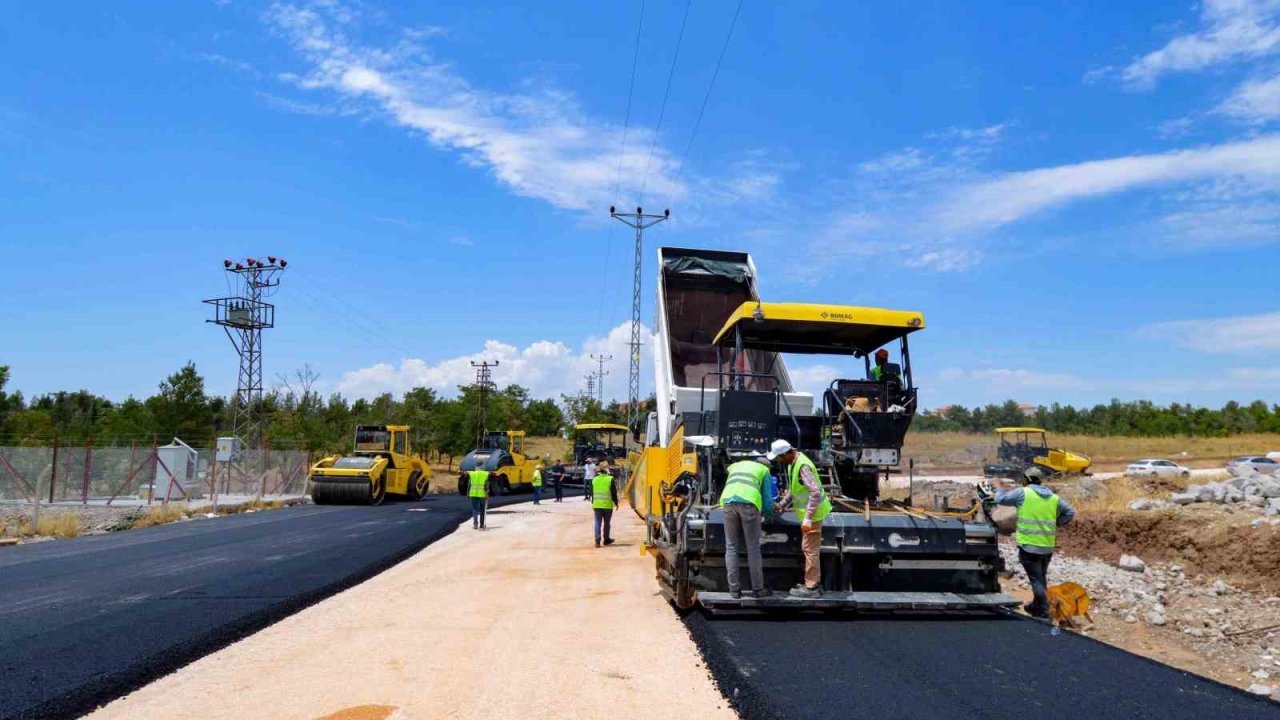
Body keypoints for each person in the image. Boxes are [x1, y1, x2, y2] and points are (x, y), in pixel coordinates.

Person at [993, 467, 1076, 619]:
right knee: (1041, 577)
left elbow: (1000, 500)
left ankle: (1045, 611)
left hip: (1029, 546)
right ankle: (1035, 607)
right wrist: (1057, 523)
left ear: (1027, 479)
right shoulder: (1054, 498)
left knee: (1036, 580)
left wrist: (998, 489)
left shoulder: (1023, 493)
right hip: (1047, 546)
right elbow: (1070, 512)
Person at [769, 439, 831, 598]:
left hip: (814, 514)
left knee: (810, 550)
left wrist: (808, 518)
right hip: (811, 514)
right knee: (810, 549)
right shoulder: (793, 464)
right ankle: (813, 583)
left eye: (779, 457)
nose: (778, 460)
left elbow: (815, 492)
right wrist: (782, 504)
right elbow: (794, 490)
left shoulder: (802, 466)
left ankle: (811, 587)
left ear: (786, 454)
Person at [720, 452, 772, 599]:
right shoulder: (764, 471)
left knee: (731, 547)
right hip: (749, 505)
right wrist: (769, 515)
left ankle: (734, 591)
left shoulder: (735, 466)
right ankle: (758, 589)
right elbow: (767, 500)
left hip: (728, 503)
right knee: (753, 548)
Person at [591, 461, 619, 548]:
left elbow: (592, 492)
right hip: (607, 505)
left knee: (597, 523)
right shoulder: (610, 479)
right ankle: (606, 540)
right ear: (607, 469)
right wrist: (616, 503)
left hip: (597, 505)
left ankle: (597, 541)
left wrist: (593, 502)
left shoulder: (594, 479)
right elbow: (614, 492)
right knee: (607, 523)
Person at [467, 466, 490, 530]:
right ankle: (482, 525)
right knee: (482, 510)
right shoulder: (485, 474)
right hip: (482, 494)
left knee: (475, 509)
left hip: (473, 494)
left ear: (476, 468)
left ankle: (475, 525)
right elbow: (486, 485)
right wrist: (487, 493)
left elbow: (469, 485)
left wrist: (468, 494)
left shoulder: (472, 474)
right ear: (482, 468)